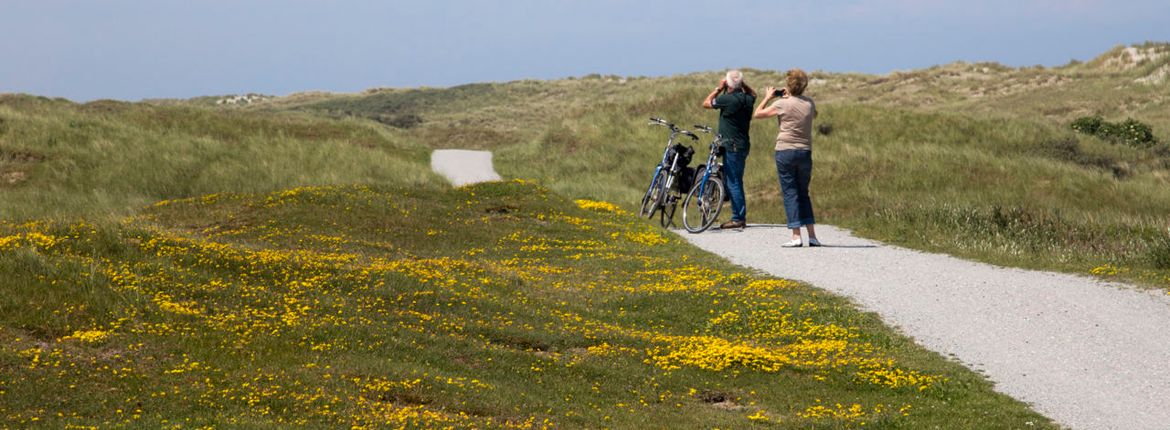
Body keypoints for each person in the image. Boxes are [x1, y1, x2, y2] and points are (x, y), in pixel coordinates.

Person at [753, 68, 820, 247]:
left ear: (789, 86)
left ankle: (796, 236)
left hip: (785, 150)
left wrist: (769, 96)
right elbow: (814, 114)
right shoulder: (809, 103)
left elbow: (758, 113)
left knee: (790, 192)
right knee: (803, 192)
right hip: (805, 151)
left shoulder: (782, 104)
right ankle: (812, 236)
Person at [702, 70, 756, 230]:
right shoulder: (748, 99)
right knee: (736, 180)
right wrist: (740, 84)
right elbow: (754, 93)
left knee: (733, 182)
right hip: (743, 145)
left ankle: (738, 218)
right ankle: (738, 216)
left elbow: (706, 103)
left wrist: (718, 88)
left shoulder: (727, 99)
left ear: (728, 84)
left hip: (731, 146)